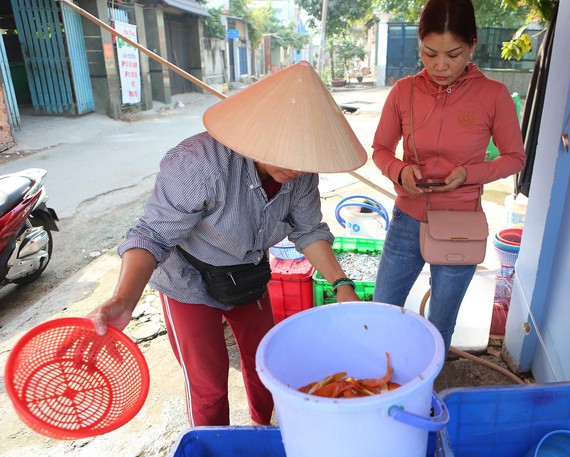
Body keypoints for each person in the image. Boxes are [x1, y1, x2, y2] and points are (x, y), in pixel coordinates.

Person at [86, 61, 367, 427]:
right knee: (209, 386)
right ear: (258, 133)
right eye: (288, 152)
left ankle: (261, 431)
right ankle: (213, 446)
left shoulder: (301, 175)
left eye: (306, 156)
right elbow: (151, 236)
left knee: (268, 365)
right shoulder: (197, 164)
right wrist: (124, 299)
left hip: (247, 273)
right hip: (188, 279)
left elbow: (309, 230)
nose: (297, 167)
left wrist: (342, 285)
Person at [371, 0, 526, 354]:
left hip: (461, 225)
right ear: (420, 46)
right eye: (430, 53)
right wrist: (399, 170)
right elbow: (380, 148)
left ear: (472, 45)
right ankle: (378, 380)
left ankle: (426, 388)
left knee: (441, 321)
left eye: (453, 55)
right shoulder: (403, 92)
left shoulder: (494, 95)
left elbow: (515, 157)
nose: (440, 65)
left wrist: (470, 174)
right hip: (408, 218)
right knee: (382, 308)